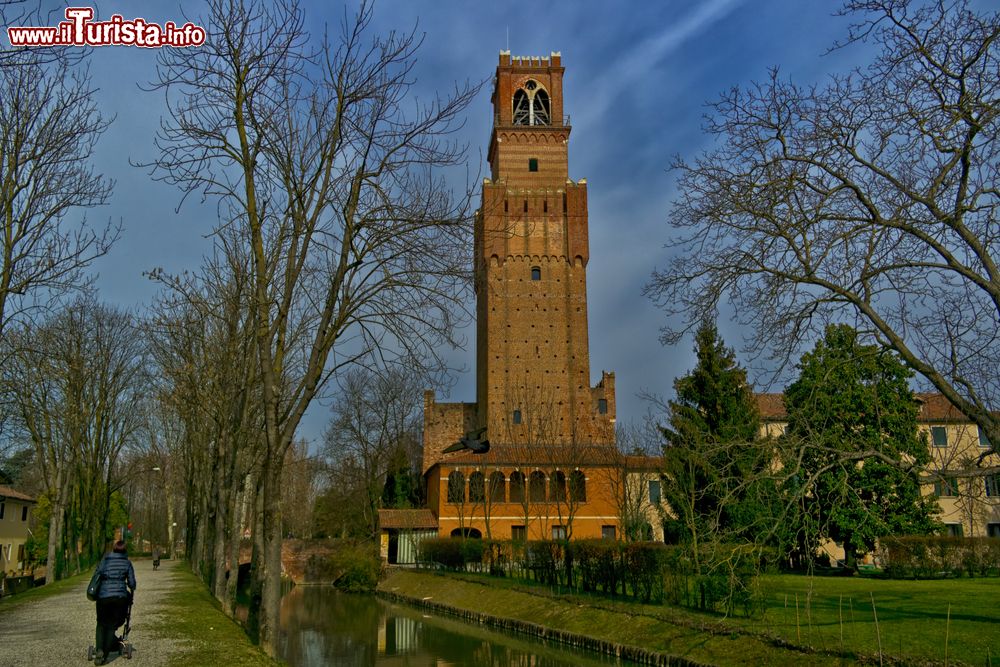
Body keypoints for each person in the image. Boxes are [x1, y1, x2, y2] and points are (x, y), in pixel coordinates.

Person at [93, 540, 136, 666]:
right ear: (125, 550)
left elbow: (97, 574)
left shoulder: (105, 560)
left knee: (101, 624)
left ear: (114, 549)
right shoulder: (127, 563)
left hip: (103, 597)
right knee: (111, 626)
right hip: (119, 598)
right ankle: (104, 656)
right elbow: (132, 583)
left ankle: (99, 650)